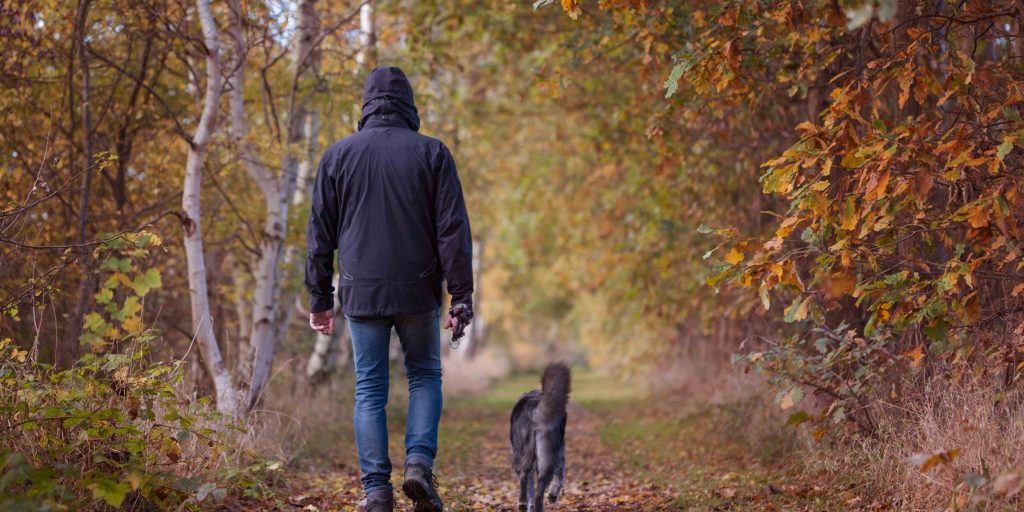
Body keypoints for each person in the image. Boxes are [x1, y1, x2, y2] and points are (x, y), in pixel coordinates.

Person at [305, 66, 474, 512]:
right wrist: (462, 295)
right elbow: (452, 231)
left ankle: (377, 492)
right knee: (423, 375)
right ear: (408, 103)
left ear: (366, 103)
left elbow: (320, 234)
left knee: (369, 388)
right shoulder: (433, 153)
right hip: (418, 290)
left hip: (361, 292)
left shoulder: (337, 156)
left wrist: (320, 297)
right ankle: (418, 464)